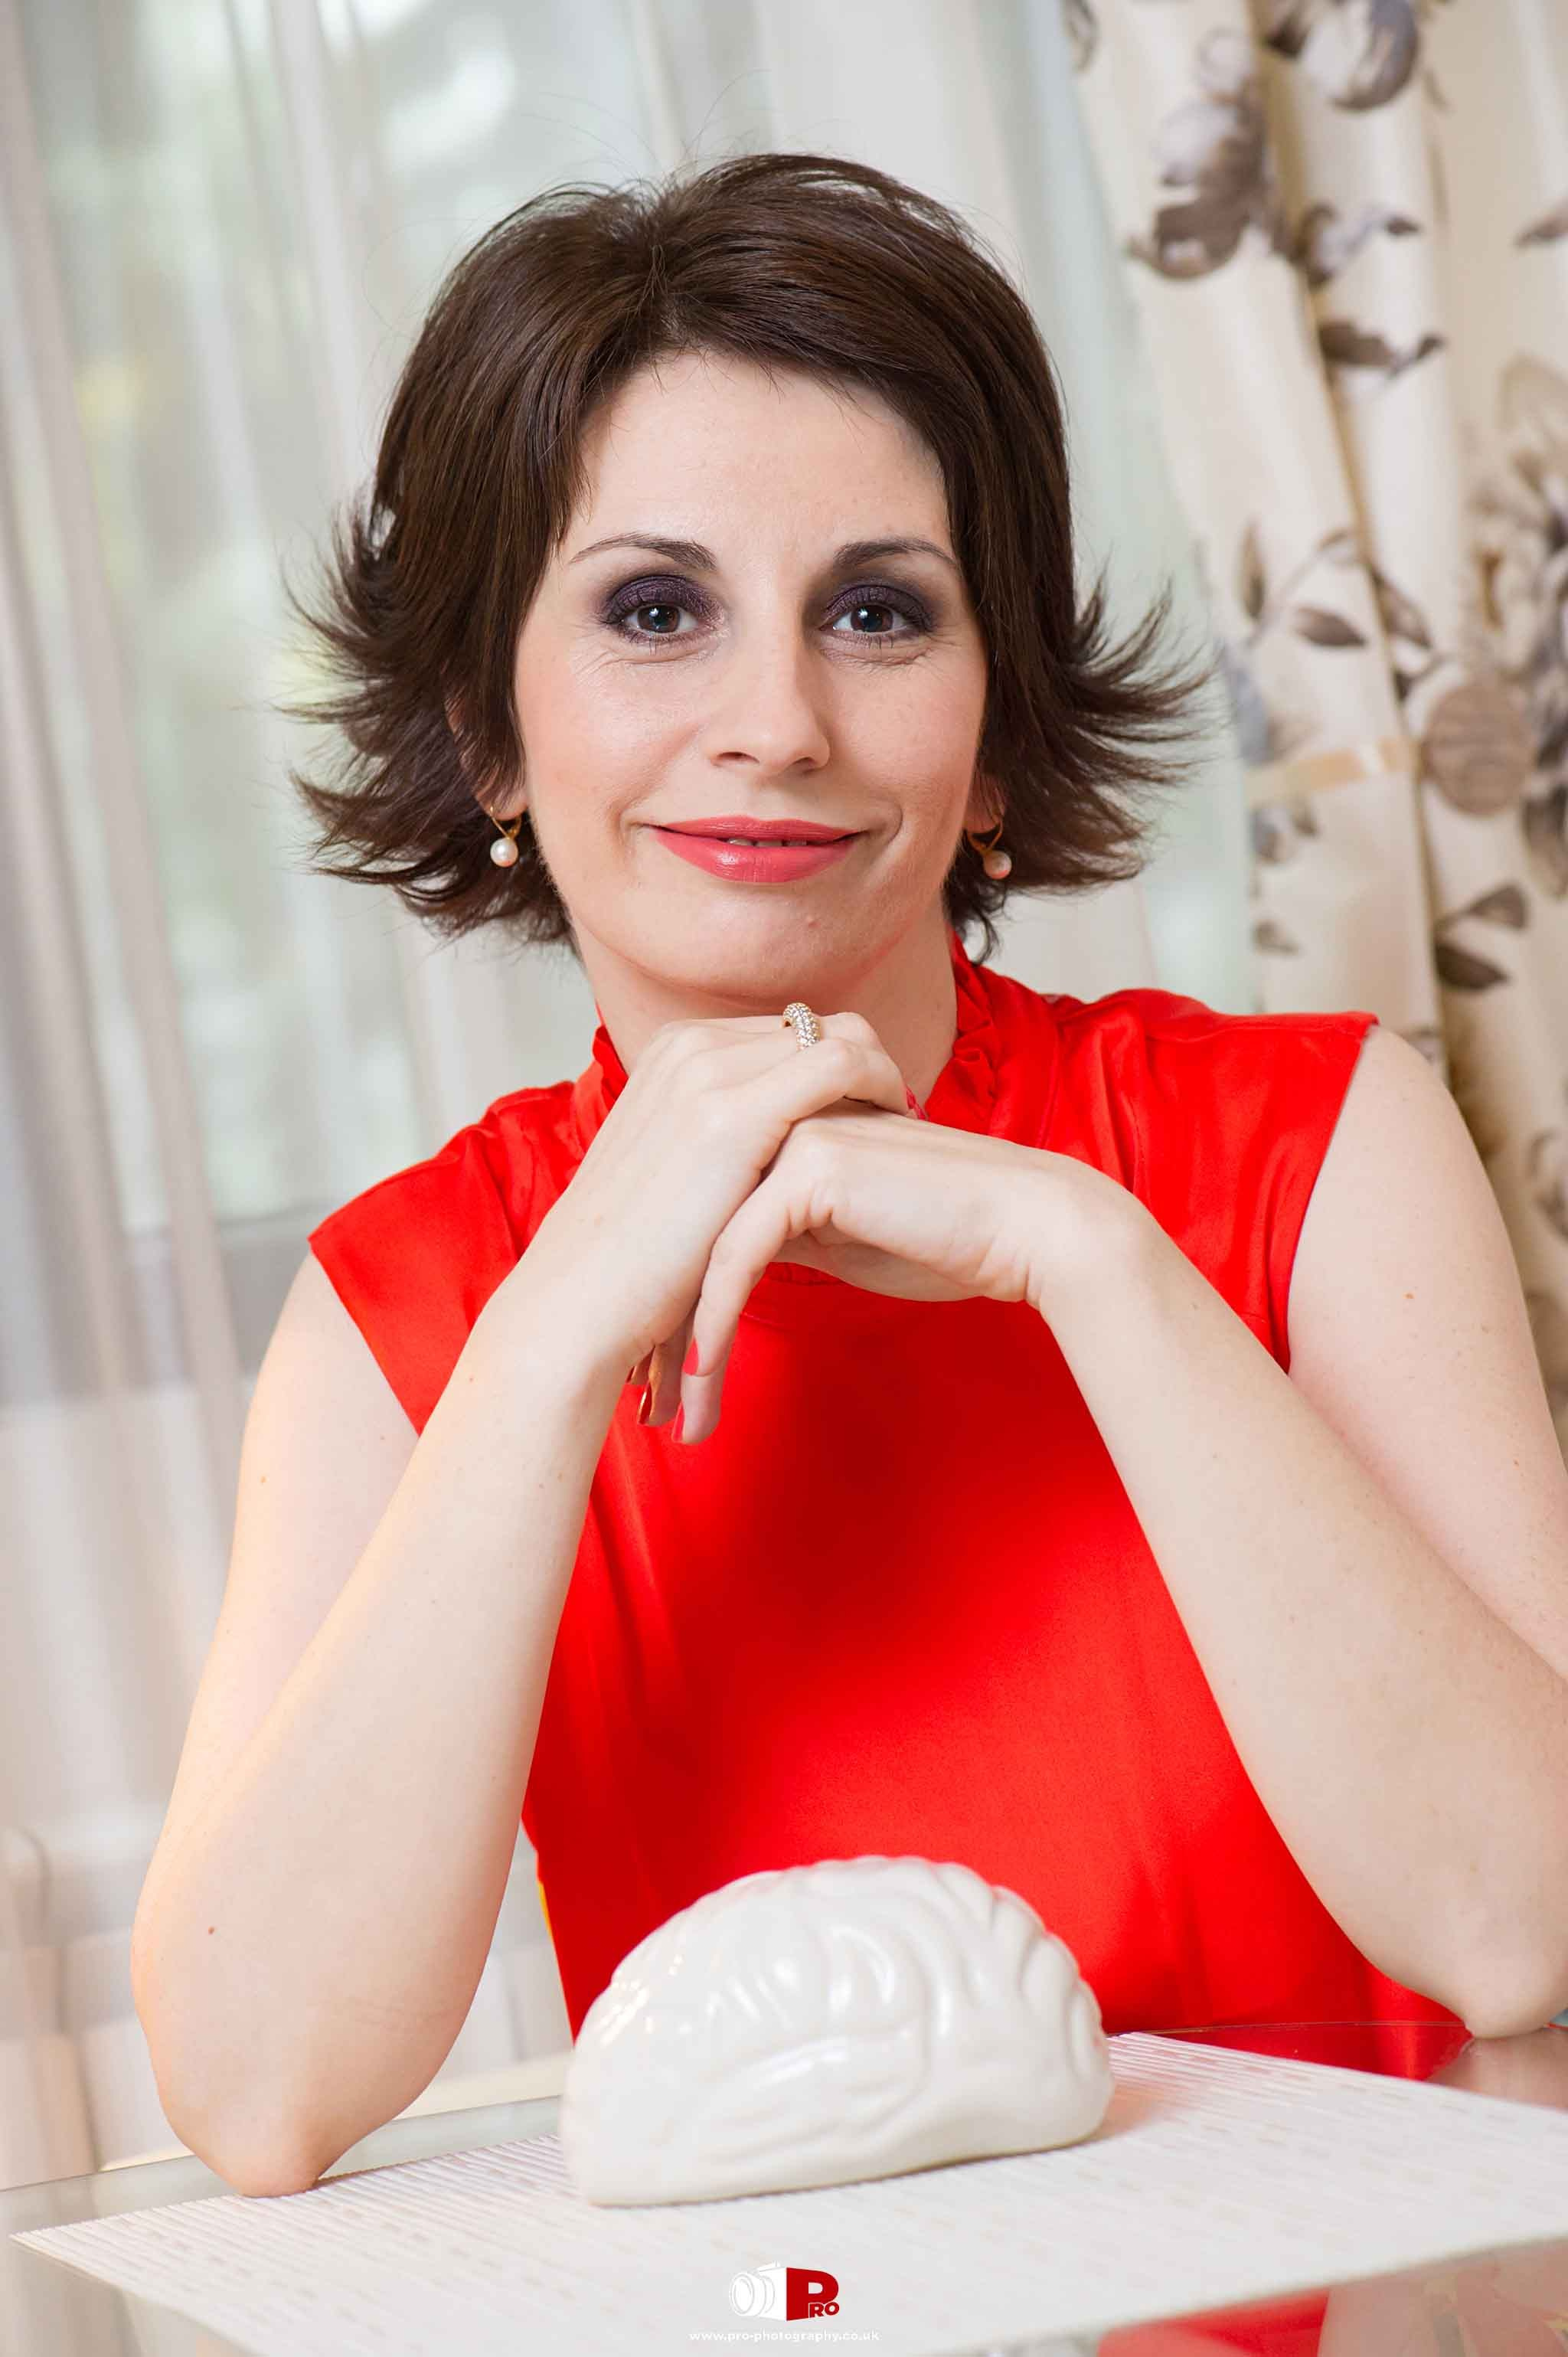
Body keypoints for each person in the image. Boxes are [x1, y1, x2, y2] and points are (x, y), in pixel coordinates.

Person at [129, 152, 1568, 2200]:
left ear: (991, 744)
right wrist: (548, 1338)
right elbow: (260, 2094)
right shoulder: (411, 1309)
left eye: (879, 614)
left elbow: (1521, 1926)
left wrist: (1079, 1247)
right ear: (489, 737)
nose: (778, 722)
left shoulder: (1315, 1143)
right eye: (653, 611)